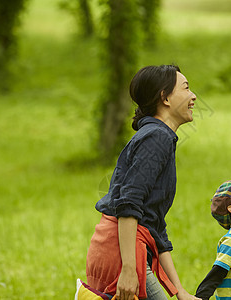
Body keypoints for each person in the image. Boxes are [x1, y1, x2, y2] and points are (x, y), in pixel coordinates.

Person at [85, 65, 200, 300]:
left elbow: (155, 225)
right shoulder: (156, 138)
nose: (193, 96)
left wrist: (180, 292)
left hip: (115, 247)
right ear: (165, 98)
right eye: (186, 88)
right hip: (120, 252)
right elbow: (128, 203)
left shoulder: (158, 137)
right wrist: (128, 270)